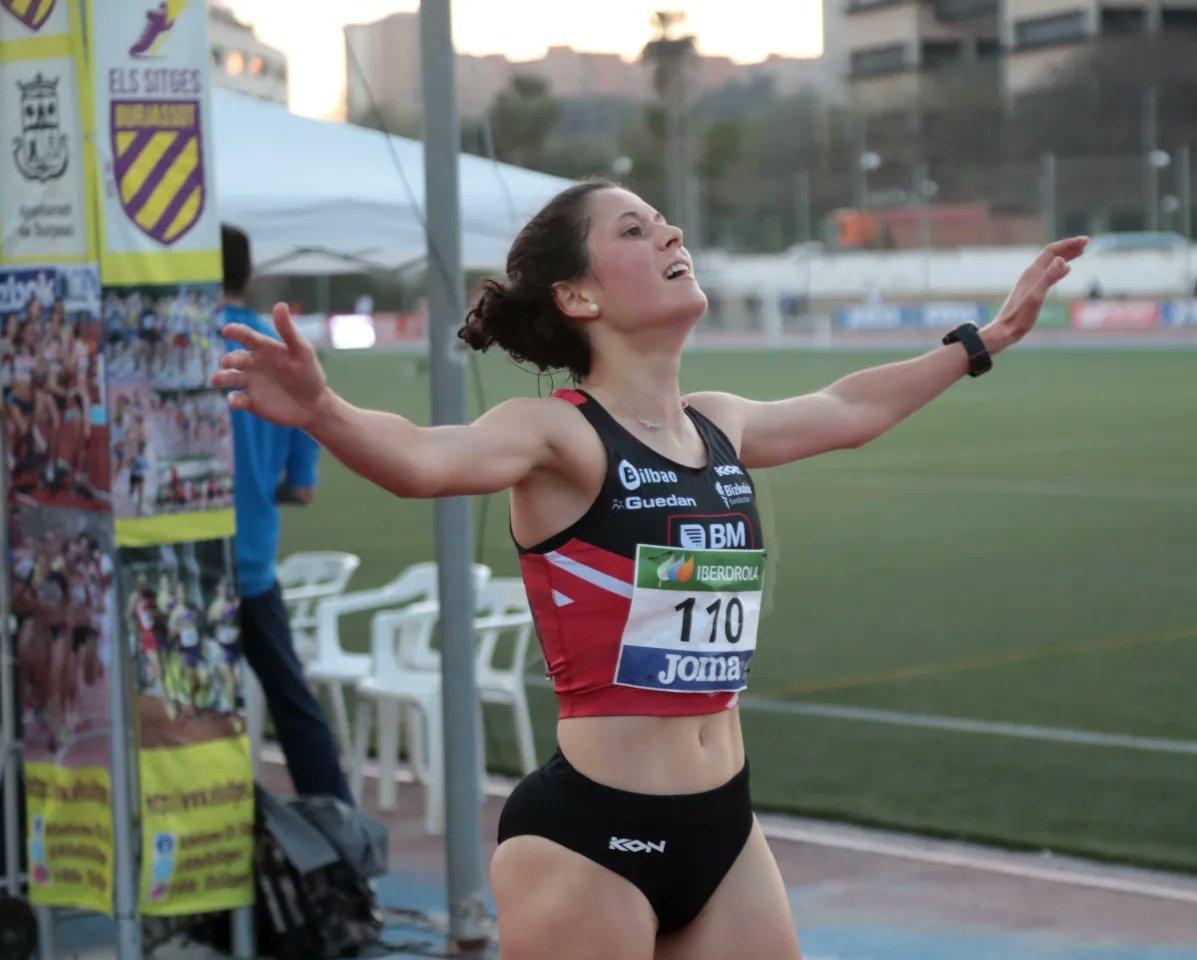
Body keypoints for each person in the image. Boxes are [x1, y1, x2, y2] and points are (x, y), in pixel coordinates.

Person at [213, 179, 1085, 959]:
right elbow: (425, 460)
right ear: (578, 295)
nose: (671, 237)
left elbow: (849, 407)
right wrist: (323, 412)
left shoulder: (720, 425)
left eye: (667, 224)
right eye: (636, 230)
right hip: (589, 838)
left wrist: (989, 338)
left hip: (724, 829)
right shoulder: (560, 435)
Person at [220, 223, 352, 803]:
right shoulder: (281, 356)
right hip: (251, 562)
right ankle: (339, 836)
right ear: (248, 276)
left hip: (175, 564)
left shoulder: (177, 342)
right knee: (293, 706)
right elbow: (302, 489)